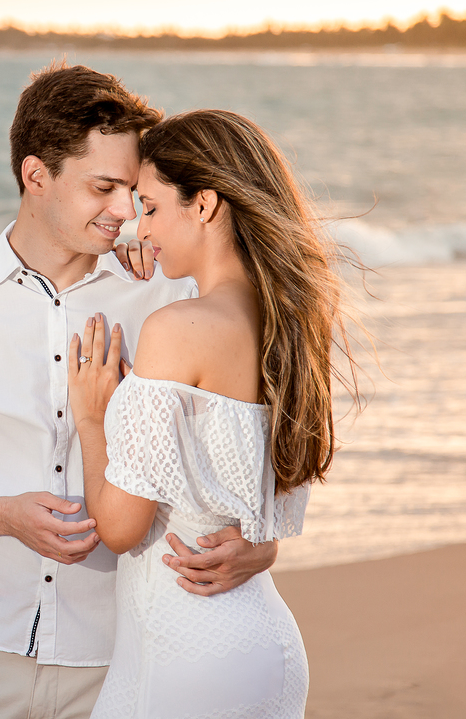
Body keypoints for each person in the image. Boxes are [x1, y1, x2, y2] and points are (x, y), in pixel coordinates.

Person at [0, 65, 281, 719]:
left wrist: (261, 544)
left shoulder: (168, 295)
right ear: (37, 177)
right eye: (104, 187)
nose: (123, 211)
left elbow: (250, 442)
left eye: (133, 190)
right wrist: (2, 515)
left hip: (124, 662)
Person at [67, 109, 356, 717]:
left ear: (204, 204)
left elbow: (120, 529)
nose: (138, 231)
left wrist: (95, 421)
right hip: (261, 640)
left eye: (148, 206)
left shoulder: (179, 328)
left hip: (186, 650)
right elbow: (266, 505)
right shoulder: (291, 322)